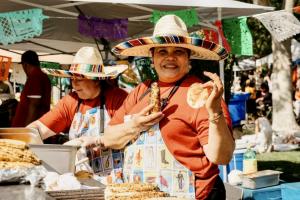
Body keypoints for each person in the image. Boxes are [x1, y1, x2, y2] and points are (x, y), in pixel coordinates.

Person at [79, 15, 235, 199]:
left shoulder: (202, 94)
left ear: (188, 58)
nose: (170, 58)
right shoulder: (141, 90)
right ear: (152, 57)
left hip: (193, 195)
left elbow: (221, 157)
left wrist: (215, 112)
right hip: (143, 195)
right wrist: (135, 126)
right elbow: (110, 139)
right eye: (162, 51)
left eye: (178, 51)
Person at [28, 46, 128, 174]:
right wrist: (25, 137)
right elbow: (39, 128)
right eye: (72, 78)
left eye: (80, 79)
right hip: (80, 175)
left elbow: (126, 134)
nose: (74, 84)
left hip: (113, 176)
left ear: (96, 80)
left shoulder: (118, 98)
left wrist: (88, 141)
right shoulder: (71, 101)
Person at [12, 50, 51, 127]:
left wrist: (27, 128)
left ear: (25, 64)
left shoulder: (35, 77)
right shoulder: (41, 76)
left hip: (28, 128)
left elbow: (34, 105)